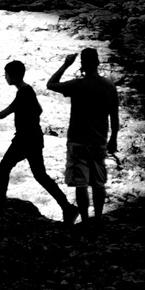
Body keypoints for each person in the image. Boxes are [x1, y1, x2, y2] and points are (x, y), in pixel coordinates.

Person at [0, 61, 80, 224]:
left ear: (12, 76)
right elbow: (39, 110)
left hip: (24, 139)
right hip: (34, 137)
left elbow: (2, 115)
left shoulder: (23, 94)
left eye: (6, 75)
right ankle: (68, 208)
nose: (5, 77)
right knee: (40, 175)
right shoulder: (28, 91)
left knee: (4, 167)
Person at [47, 48, 119, 224]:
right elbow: (114, 116)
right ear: (98, 63)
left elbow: (51, 84)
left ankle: (85, 220)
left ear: (83, 65)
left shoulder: (77, 85)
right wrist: (113, 138)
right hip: (99, 141)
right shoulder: (109, 86)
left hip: (78, 141)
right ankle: (99, 217)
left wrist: (65, 65)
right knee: (98, 183)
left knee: (81, 183)